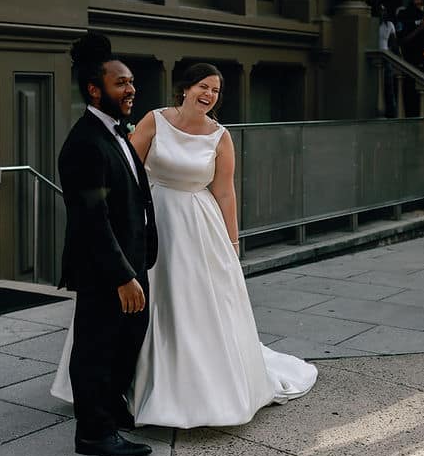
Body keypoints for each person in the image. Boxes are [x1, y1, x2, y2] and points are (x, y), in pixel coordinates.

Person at [126, 62, 318, 428]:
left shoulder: (220, 136)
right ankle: (143, 380)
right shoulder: (155, 120)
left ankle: (199, 389)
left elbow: (225, 193)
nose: (209, 95)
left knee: (194, 304)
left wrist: (232, 243)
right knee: (156, 298)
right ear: (184, 88)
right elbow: (128, 168)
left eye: (215, 90)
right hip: (153, 217)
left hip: (198, 225)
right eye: (203, 86)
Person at [51, 34, 158, 456]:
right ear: (95, 90)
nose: (131, 89)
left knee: (127, 336)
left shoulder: (115, 132)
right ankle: (93, 433)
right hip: (104, 268)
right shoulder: (83, 143)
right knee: (96, 346)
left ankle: (110, 408)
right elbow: (91, 221)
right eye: (121, 83)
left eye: (131, 81)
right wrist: (122, 276)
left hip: (131, 260)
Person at [396, 0, 424, 114]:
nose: (419, 2)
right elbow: (402, 39)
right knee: (411, 93)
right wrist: (418, 29)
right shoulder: (404, 15)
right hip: (411, 59)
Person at [378, 4, 398, 117]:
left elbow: (393, 43)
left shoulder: (389, 25)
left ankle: (392, 112)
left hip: (387, 57)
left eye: (383, 10)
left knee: (389, 86)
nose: (382, 13)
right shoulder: (374, 24)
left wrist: (396, 55)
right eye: (380, 10)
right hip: (376, 57)